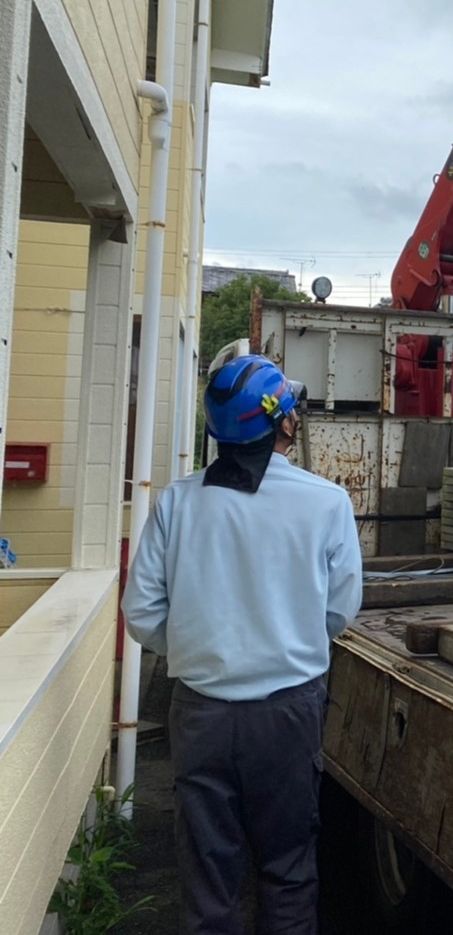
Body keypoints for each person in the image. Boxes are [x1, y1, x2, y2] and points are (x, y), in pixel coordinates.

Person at [123, 354, 362, 935]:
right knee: (287, 868)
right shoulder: (326, 502)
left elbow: (141, 614)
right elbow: (339, 611)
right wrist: (288, 637)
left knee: (209, 873)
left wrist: (196, 648)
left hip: (199, 712)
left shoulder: (178, 503)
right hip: (287, 711)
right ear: (282, 422)